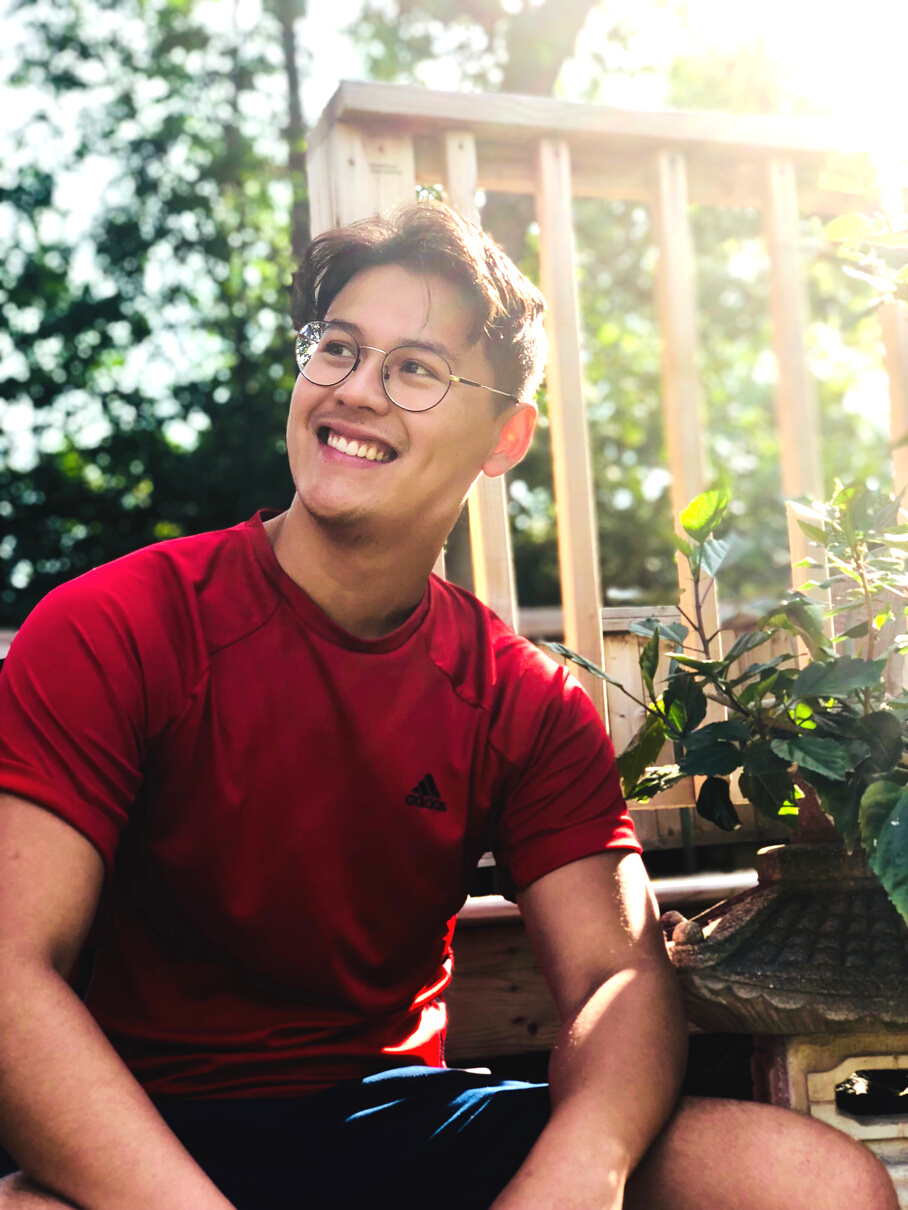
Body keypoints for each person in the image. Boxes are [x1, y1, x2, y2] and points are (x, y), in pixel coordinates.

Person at [0, 203, 896, 1210]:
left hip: (391, 1122)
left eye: (415, 368)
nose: (354, 390)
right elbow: (10, 972)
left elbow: (616, 976)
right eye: (335, 350)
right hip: (138, 1134)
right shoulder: (115, 626)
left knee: (808, 1183)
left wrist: (574, 1178)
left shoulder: (522, 698)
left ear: (505, 437)